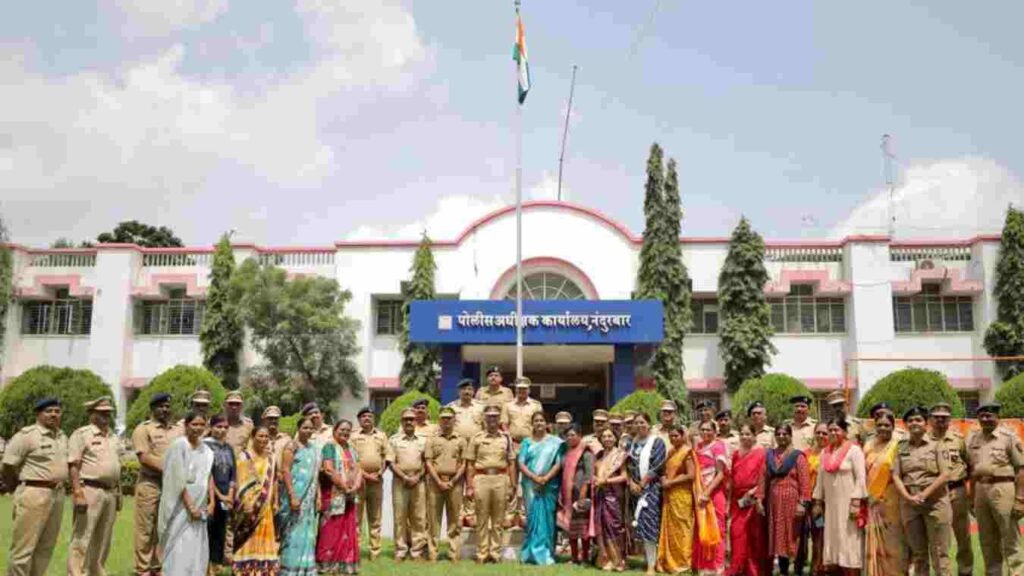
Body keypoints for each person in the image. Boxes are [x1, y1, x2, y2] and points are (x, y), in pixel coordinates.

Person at [2, 397, 69, 576]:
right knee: (24, 549)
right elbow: (8, 465)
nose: (54, 415)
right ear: (38, 414)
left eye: (57, 411)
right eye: (49, 411)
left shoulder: (62, 436)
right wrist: (16, 486)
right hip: (33, 493)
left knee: (45, 547)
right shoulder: (26, 436)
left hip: (58, 494)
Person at [892, 406, 952, 576]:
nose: (914, 423)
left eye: (918, 420)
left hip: (935, 503)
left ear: (926, 423)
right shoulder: (901, 447)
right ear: (905, 425)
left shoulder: (937, 445)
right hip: (910, 504)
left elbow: (945, 474)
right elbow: (896, 475)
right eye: (910, 421)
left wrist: (924, 495)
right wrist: (908, 497)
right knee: (918, 553)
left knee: (940, 553)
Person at [966, 402, 1024, 576]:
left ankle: (1017, 572)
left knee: (1010, 537)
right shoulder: (973, 439)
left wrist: (1020, 499)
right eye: (982, 416)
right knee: (987, 539)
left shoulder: (1008, 437)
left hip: (1003, 487)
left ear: (997, 417)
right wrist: (971, 497)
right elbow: (971, 470)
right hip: (981, 490)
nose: (985, 419)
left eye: (989, 415)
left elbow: (1021, 469)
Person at [67, 396, 121, 576]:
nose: (107, 416)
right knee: (82, 538)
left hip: (110, 493)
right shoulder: (82, 434)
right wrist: (77, 493)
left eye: (109, 413)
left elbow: (116, 466)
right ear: (92, 414)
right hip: (89, 490)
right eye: (102, 413)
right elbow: (73, 465)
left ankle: (95, 572)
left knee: (103, 539)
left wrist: (118, 496)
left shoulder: (113, 436)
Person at [159, 412, 214, 576]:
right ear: (186, 426)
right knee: (179, 546)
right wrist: (190, 506)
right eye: (194, 424)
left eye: (201, 425)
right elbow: (177, 480)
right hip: (180, 507)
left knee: (196, 547)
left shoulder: (207, 450)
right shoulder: (179, 446)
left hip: (200, 507)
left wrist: (210, 503)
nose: (198, 428)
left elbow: (208, 477)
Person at [812, 418, 866, 576]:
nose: (833, 433)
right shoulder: (825, 452)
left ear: (845, 432)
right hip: (830, 507)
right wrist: (817, 502)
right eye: (831, 430)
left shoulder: (854, 451)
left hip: (849, 505)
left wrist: (856, 501)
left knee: (849, 540)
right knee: (833, 539)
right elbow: (820, 480)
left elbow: (861, 478)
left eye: (837, 430)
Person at [132, 392, 178, 576]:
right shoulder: (143, 429)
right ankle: (142, 569)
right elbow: (144, 457)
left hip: (170, 486)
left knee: (164, 527)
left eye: (167, 406)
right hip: (150, 484)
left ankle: (158, 567)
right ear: (152, 408)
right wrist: (170, 468)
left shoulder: (176, 430)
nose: (165, 409)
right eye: (161, 406)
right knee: (145, 529)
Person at [465, 404, 517, 564]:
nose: (492, 419)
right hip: (481, 479)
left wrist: (512, 485)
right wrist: (469, 486)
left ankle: (494, 553)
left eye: (495, 416)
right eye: (489, 416)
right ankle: (482, 553)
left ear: (499, 418)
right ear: (484, 418)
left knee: (498, 519)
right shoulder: (477, 438)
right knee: (481, 518)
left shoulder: (506, 438)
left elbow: (511, 463)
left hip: (501, 479)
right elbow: (470, 464)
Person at [760, 424, 810, 576]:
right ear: (775, 436)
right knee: (778, 535)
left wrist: (802, 503)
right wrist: (758, 498)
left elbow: (805, 482)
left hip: (793, 503)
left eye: (785, 434)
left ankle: (798, 569)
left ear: (790, 436)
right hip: (774, 503)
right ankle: (783, 570)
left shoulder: (798, 456)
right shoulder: (770, 455)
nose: (781, 437)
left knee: (793, 535)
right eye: (779, 434)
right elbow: (763, 478)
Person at [929, 402, 972, 576]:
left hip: (957, 491)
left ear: (949, 419)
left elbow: (969, 464)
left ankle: (965, 571)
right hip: (935, 495)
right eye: (937, 417)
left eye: (944, 417)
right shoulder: (923, 440)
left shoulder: (958, 439)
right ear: (930, 419)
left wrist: (961, 483)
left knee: (963, 536)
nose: (940, 420)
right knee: (938, 539)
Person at [517, 411, 564, 565]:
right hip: (530, 485)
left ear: (547, 424)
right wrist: (534, 478)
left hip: (549, 486)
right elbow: (521, 463)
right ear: (532, 424)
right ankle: (531, 553)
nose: (539, 423)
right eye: (536, 421)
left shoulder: (556, 442)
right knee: (532, 518)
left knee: (548, 519)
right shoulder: (526, 442)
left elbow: (558, 463)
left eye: (541, 420)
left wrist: (545, 478)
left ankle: (546, 553)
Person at [317, 420, 363, 575]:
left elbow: (358, 469)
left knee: (347, 528)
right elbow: (328, 470)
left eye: (348, 430)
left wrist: (355, 486)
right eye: (342, 429)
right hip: (333, 494)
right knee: (331, 529)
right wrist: (344, 487)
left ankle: (345, 564)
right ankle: (327, 564)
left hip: (349, 496)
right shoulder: (329, 447)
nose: (345, 432)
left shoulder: (352, 448)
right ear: (334, 430)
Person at [232, 425, 280, 576]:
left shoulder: (271, 458)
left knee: (265, 536)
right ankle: (244, 568)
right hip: (248, 508)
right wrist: (246, 502)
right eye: (260, 436)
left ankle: (263, 569)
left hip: (265, 507)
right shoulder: (244, 457)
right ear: (253, 437)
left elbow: (275, 481)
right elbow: (240, 481)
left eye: (266, 436)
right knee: (248, 537)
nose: (264, 439)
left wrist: (276, 501)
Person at [278, 415, 322, 576]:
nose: (308, 431)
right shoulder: (291, 446)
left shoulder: (313, 448)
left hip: (309, 499)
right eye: (305, 427)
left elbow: (315, 475)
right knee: (292, 532)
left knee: (307, 533)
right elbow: (285, 470)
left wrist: (317, 496)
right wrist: (292, 495)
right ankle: (289, 569)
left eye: (311, 428)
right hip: (294, 496)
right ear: (299, 428)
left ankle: (306, 568)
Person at [863, 412, 903, 576]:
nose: (883, 428)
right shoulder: (869, 445)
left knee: (892, 541)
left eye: (887, 425)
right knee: (874, 541)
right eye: (879, 425)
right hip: (871, 499)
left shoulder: (898, 445)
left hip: (891, 500)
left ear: (893, 427)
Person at [424, 407, 467, 562]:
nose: (446, 421)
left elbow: (464, 463)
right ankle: (432, 554)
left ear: (454, 420)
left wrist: (453, 481)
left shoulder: (461, 440)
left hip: (455, 484)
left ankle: (453, 553)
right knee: (433, 520)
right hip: (435, 483)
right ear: (439, 420)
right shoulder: (432, 439)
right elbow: (428, 463)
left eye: (449, 418)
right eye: (443, 418)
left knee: (455, 519)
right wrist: (439, 481)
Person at [628, 412, 667, 576]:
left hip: (651, 489)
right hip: (634, 489)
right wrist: (631, 482)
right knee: (640, 525)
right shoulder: (631, 443)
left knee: (650, 524)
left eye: (642, 422)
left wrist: (642, 483)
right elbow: (627, 465)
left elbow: (657, 465)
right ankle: (649, 560)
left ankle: (652, 566)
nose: (639, 425)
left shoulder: (657, 442)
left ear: (649, 424)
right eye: (637, 423)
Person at [349, 407, 390, 560]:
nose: (367, 418)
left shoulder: (382, 436)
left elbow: (388, 456)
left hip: (376, 483)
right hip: (358, 482)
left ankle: (375, 552)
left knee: (375, 518)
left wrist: (380, 472)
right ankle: (356, 551)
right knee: (356, 519)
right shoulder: (353, 437)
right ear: (359, 420)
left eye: (370, 416)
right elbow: (351, 459)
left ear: (373, 418)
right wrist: (365, 475)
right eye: (364, 416)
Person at [388, 408, 428, 561]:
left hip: (419, 482)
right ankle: (401, 550)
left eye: (411, 419)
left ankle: (417, 551)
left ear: (416, 421)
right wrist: (404, 476)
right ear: (401, 422)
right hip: (400, 482)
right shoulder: (394, 440)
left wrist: (417, 477)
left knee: (418, 518)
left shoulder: (423, 440)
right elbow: (391, 462)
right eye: (406, 419)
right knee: (400, 517)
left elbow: (427, 462)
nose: (409, 422)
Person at [656, 427, 695, 575]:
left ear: (683, 436)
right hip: (670, 495)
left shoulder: (687, 452)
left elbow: (690, 475)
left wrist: (670, 483)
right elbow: (664, 472)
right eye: (671, 436)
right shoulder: (671, 452)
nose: (673, 439)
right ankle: (670, 561)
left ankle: (684, 563)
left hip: (682, 495)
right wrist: (664, 479)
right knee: (671, 529)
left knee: (683, 528)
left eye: (676, 436)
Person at [729, 424, 767, 576]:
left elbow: (763, 477)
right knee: (736, 532)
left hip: (752, 499)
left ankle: (752, 569)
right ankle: (737, 566)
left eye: (747, 434)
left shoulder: (761, 453)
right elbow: (732, 477)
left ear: (754, 437)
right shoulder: (736, 454)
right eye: (742, 434)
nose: (744, 437)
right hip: (737, 500)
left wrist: (752, 493)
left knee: (752, 535)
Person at [694, 420, 728, 575]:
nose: (705, 432)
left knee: (717, 529)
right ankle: (706, 566)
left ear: (715, 431)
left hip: (714, 494)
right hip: (700, 493)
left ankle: (718, 566)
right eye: (703, 429)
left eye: (708, 430)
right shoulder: (699, 447)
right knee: (703, 527)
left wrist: (707, 493)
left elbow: (721, 473)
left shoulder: (718, 446)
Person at [448, 378, 483, 528]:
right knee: (458, 482)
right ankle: (460, 514)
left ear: (473, 391)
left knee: (474, 481)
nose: (466, 392)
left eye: (469, 389)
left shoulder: (481, 407)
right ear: (458, 392)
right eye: (463, 389)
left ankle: (472, 514)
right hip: (458, 449)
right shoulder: (451, 408)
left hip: (476, 450)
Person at [204, 414, 236, 575]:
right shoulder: (205, 446)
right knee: (207, 531)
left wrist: (229, 493)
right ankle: (204, 566)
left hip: (226, 497)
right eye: (218, 427)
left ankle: (216, 566)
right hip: (208, 496)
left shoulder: (228, 448)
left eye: (225, 427)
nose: (222, 430)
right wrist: (219, 495)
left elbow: (233, 473)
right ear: (211, 427)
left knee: (220, 531)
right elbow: (207, 473)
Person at [593, 428, 629, 572]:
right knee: (601, 526)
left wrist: (606, 480)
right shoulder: (599, 456)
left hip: (614, 497)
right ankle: (605, 558)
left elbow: (624, 477)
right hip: (600, 495)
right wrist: (596, 480)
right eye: (604, 436)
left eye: (610, 436)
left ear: (616, 438)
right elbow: (595, 476)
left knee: (614, 527)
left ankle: (618, 560)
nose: (607, 438)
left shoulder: (620, 456)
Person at [558, 424, 593, 565]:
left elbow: (589, 475)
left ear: (580, 435)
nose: (570, 437)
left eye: (573, 434)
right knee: (571, 528)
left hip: (581, 494)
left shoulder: (585, 453)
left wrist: (583, 496)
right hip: (568, 495)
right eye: (568, 435)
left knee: (583, 527)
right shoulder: (567, 452)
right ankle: (573, 558)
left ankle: (584, 557)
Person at [797, 422, 829, 576]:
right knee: (802, 535)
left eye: (825, 433)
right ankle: (800, 566)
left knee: (819, 533)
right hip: (806, 501)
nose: (821, 436)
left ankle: (818, 567)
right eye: (819, 432)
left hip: (822, 504)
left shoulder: (831, 453)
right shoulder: (806, 453)